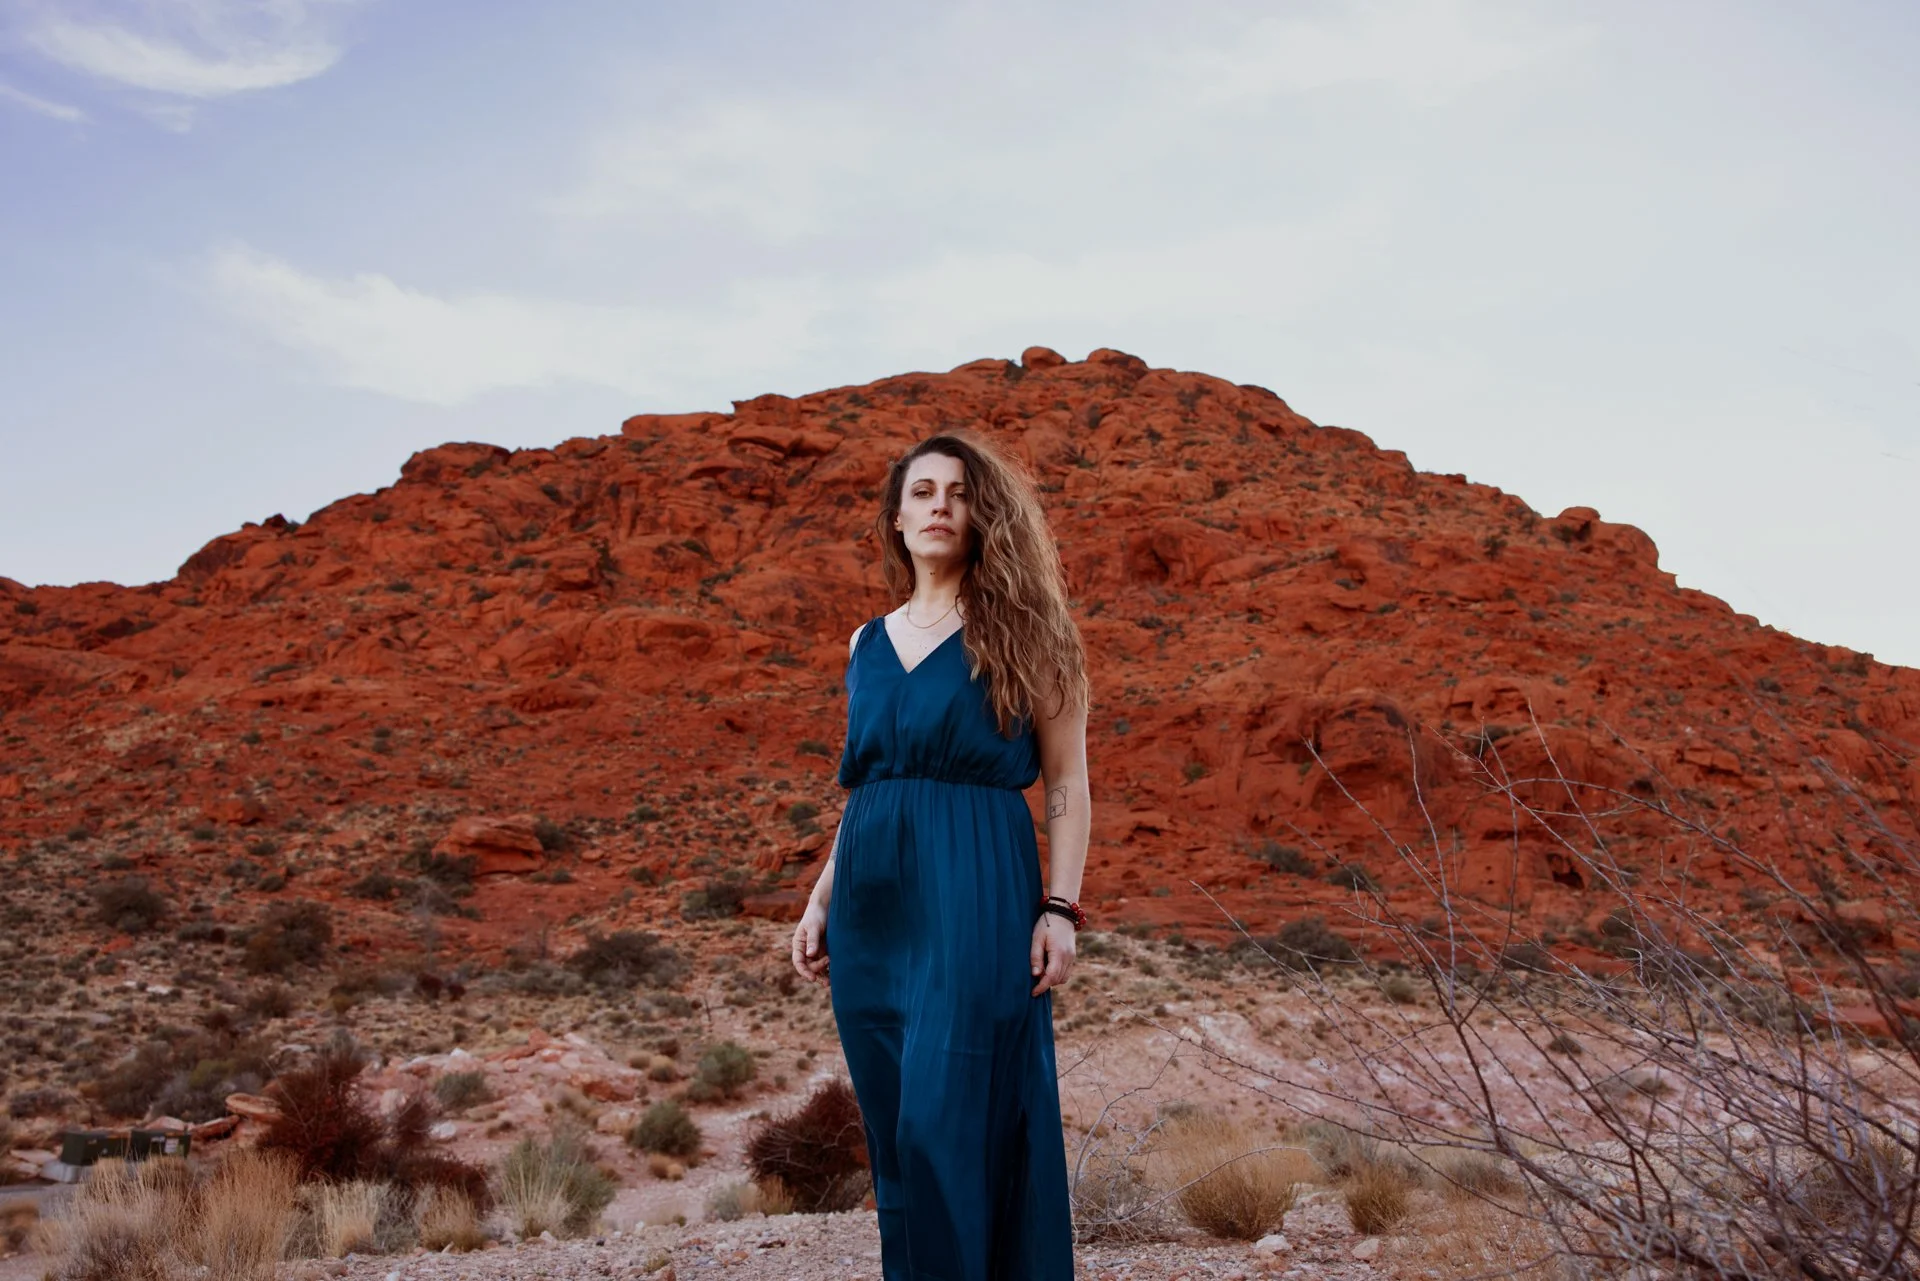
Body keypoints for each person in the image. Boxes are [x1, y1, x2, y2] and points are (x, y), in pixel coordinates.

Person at [789, 428, 1091, 1280]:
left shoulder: (1028, 633)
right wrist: (819, 900)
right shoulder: (865, 644)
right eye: (922, 492)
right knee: (895, 1136)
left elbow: (1067, 781)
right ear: (896, 517)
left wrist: (1060, 907)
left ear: (982, 515)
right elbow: (865, 788)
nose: (939, 507)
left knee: (945, 1119)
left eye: (958, 493)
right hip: (872, 910)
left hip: (975, 890)